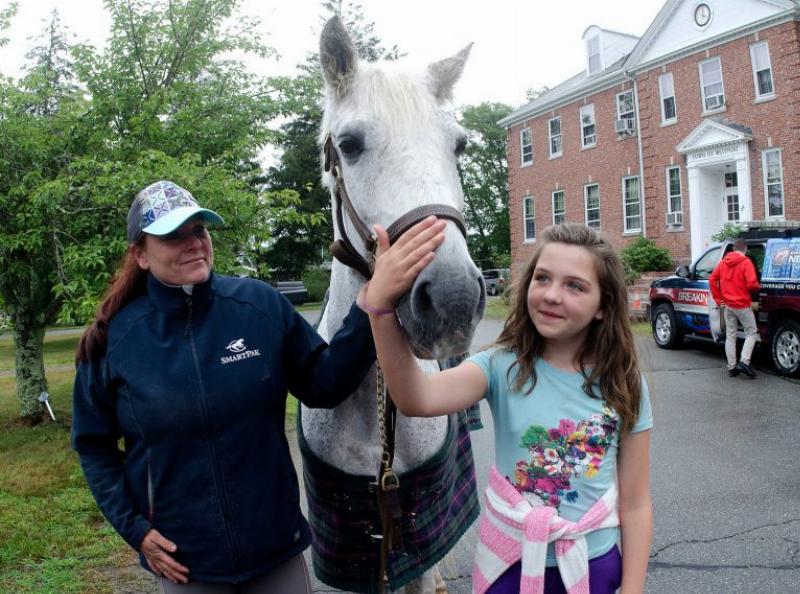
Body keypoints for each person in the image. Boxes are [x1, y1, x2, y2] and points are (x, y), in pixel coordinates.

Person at [71, 180, 379, 593]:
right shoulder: (113, 341)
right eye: (172, 236)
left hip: (275, 549)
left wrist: (369, 307)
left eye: (199, 230)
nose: (193, 243)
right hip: (187, 564)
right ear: (140, 254)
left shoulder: (258, 306)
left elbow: (324, 383)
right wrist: (135, 530)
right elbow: (93, 446)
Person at [363, 221, 653, 594]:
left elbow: (635, 504)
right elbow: (416, 397)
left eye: (574, 286)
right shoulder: (502, 366)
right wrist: (380, 308)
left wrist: (633, 589)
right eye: (543, 278)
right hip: (508, 566)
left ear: (603, 306)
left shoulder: (624, 383)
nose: (550, 295)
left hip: (593, 566)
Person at [709, 238, 761, 379]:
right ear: (745, 249)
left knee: (730, 336)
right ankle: (744, 362)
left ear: (733, 249)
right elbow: (751, 284)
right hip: (742, 305)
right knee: (752, 332)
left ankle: (732, 368)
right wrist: (758, 287)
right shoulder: (746, 262)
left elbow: (712, 279)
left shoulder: (723, 262)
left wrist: (719, 299)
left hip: (728, 306)